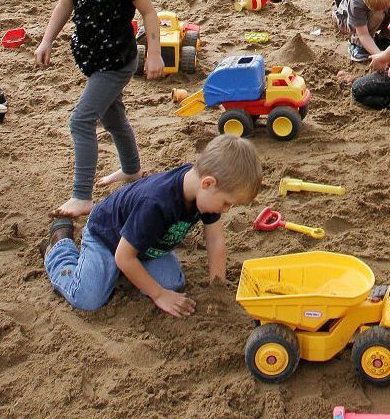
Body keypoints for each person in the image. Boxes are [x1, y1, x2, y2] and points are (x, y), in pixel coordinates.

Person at [35, 0, 165, 218]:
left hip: (116, 63)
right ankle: (132, 169)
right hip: (92, 60)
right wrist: (46, 39)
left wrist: (154, 54)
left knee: (81, 120)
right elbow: (64, 5)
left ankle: (81, 196)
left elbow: (149, 13)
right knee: (112, 117)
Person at [44, 135, 262, 315]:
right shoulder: (156, 204)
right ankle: (60, 245)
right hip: (107, 237)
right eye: (226, 203)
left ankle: (123, 270)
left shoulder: (203, 194)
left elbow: (215, 241)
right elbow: (122, 256)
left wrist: (217, 288)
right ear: (208, 183)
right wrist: (158, 295)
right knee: (88, 298)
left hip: (145, 243)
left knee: (172, 284)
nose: (225, 210)